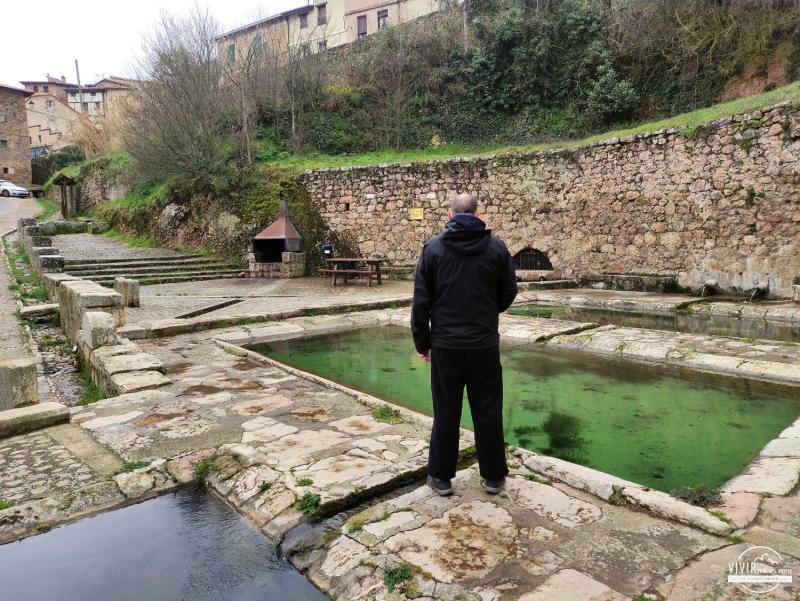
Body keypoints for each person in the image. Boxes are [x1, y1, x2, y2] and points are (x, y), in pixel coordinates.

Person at [411, 192, 518, 496]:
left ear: (450, 215)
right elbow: (509, 291)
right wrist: (486, 311)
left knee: (446, 411)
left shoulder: (432, 249)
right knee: (488, 409)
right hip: (483, 344)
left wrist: (423, 342)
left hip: (446, 345)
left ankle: (441, 478)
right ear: (477, 212)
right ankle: (495, 476)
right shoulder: (496, 248)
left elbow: (421, 301)